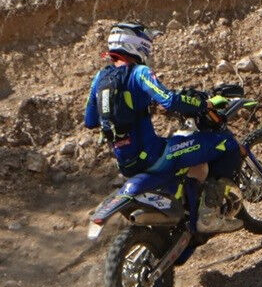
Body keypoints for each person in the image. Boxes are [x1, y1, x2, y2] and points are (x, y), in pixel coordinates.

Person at [83, 22, 242, 233]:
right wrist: (204, 104)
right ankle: (209, 215)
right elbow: (169, 100)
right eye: (147, 44)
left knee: (183, 150)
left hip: (125, 161)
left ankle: (186, 206)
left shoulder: (100, 77)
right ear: (136, 45)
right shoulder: (139, 72)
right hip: (153, 154)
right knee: (225, 143)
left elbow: (90, 120)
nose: (149, 50)